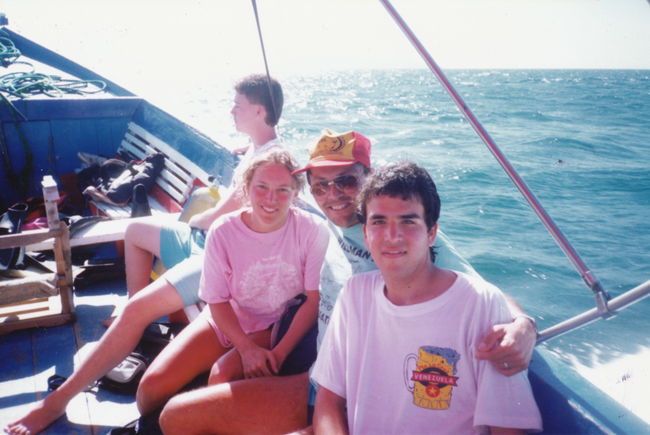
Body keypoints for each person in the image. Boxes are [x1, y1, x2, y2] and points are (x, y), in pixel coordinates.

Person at [158, 130, 539, 435]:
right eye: (319, 186)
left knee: (178, 418)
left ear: (368, 180)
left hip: (337, 385)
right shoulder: (323, 226)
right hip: (320, 361)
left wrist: (523, 324)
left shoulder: (395, 235)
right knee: (220, 373)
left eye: (345, 181)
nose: (332, 195)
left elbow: (477, 287)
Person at [4, 73, 284, 435]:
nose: (231, 111)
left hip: (220, 254)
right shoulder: (260, 150)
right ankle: (138, 322)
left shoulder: (268, 163)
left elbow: (218, 217)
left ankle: (57, 402)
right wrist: (243, 152)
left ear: (259, 111)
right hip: (207, 240)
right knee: (135, 231)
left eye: (238, 106)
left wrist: (198, 216)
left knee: (136, 309)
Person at [311, 161, 542, 434]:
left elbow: (506, 428)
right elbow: (328, 402)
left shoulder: (479, 304)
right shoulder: (355, 294)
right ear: (365, 233)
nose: (391, 236)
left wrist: (525, 323)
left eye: (408, 221)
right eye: (379, 222)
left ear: (431, 233)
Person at [135, 149, 329, 415]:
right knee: (150, 390)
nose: (271, 199)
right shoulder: (223, 230)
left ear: (296, 194)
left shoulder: (312, 230)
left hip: (277, 325)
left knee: (221, 379)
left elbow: (312, 300)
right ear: (246, 188)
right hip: (229, 318)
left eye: (283, 190)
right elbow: (216, 300)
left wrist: (281, 353)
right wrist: (246, 348)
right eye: (261, 187)